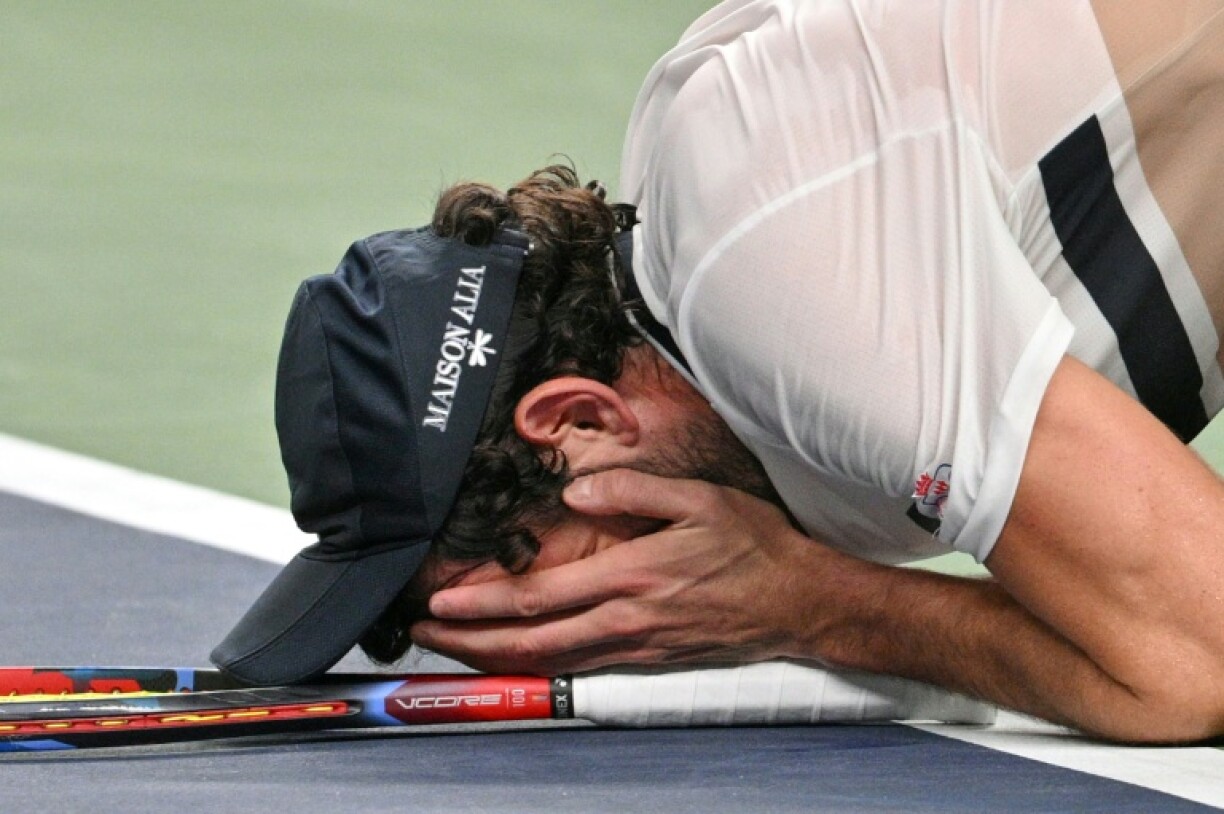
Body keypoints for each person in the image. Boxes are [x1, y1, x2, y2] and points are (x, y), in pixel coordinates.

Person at [213, 0, 1224, 743]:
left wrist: (820, 605)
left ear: (581, 421)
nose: (570, 638)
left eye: (532, 591)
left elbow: (1206, 658)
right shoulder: (720, 204)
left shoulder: (773, 277)